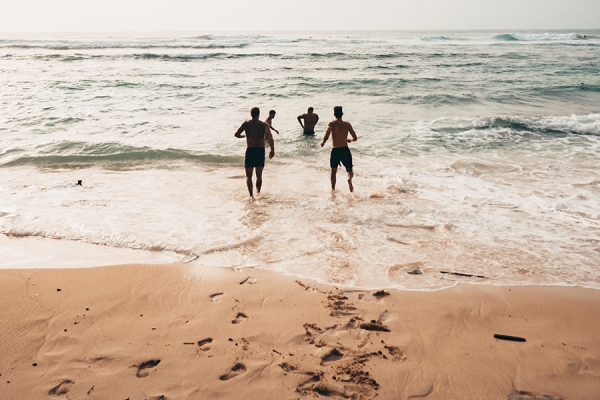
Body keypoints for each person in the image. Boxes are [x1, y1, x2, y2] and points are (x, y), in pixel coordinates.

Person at [234, 107, 275, 198]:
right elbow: (269, 137)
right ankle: (258, 193)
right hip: (260, 151)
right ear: (259, 114)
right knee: (259, 175)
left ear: (251, 114)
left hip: (250, 150)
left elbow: (236, 134)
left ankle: (251, 196)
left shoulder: (246, 124)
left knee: (249, 176)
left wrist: (243, 136)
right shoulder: (264, 125)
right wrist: (272, 150)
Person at [320, 106, 357, 192]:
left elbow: (327, 133)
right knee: (349, 170)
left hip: (335, 150)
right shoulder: (347, 125)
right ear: (342, 114)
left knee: (333, 172)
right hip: (345, 150)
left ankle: (333, 189)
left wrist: (323, 142)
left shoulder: (331, 124)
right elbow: (355, 138)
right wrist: (349, 140)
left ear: (334, 114)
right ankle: (349, 179)